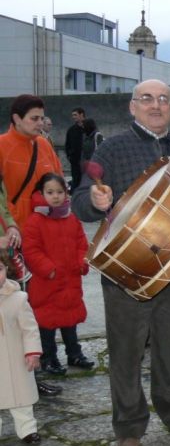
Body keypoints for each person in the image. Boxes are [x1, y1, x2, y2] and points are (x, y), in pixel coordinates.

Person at [72, 79, 170, 446]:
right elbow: (81, 197)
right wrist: (95, 199)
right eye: (147, 99)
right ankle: (129, 428)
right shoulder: (111, 149)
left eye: (164, 100)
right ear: (132, 107)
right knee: (126, 352)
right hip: (127, 275)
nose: (156, 106)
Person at [22, 173, 94, 376]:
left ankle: (74, 353)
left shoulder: (71, 218)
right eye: (50, 192)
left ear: (66, 193)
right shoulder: (35, 221)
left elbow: (82, 244)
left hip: (70, 278)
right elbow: (31, 250)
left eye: (60, 192)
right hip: (47, 282)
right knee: (47, 323)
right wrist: (48, 269)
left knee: (70, 320)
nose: (55, 196)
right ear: (41, 193)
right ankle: (48, 357)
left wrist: (82, 262)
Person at [0, 180, 62, 398]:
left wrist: (13, 227)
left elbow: (4, 208)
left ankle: (27, 381)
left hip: (6, 260)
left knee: (17, 325)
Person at [0, 95, 64, 230]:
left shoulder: (44, 144)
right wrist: (11, 224)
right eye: (34, 118)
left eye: (41, 118)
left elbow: (60, 180)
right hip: (15, 234)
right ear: (17, 119)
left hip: (48, 230)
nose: (40, 123)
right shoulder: (2, 146)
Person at [0, 249, 43, 446]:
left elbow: (30, 328)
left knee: (21, 399)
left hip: (15, 358)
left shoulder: (18, 299)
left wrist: (32, 352)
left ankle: (27, 429)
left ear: (6, 270)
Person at [64, 107, 86, 192]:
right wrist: (70, 156)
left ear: (81, 115)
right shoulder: (71, 130)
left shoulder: (88, 128)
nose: (73, 117)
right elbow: (67, 144)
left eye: (75, 115)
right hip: (75, 161)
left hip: (86, 161)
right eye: (72, 115)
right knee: (76, 180)